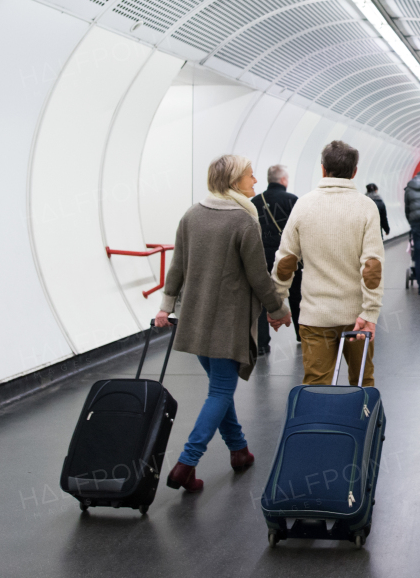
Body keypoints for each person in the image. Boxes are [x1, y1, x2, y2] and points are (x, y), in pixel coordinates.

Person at [155, 155, 290, 494]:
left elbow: (177, 267)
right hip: (227, 323)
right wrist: (277, 309)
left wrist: (165, 307)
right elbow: (258, 275)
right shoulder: (244, 221)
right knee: (220, 391)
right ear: (233, 182)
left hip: (194, 319)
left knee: (220, 388)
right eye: (249, 176)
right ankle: (186, 463)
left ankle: (239, 451)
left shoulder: (191, 215)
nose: (255, 182)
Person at [273, 140, 384, 386]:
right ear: (354, 171)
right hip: (358, 317)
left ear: (322, 169)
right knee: (362, 383)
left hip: (315, 317)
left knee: (316, 386)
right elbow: (372, 266)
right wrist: (370, 312)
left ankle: (320, 425)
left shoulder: (304, 204)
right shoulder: (367, 207)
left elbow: (286, 261)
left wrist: (277, 304)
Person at [252, 164, 301, 354]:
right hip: (289, 258)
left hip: (262, 258)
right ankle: (301, 334)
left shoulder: (255, 202)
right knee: (296, 296)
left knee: (263, 299)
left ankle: (262, 343)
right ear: (283, 180)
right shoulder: (293, 200)